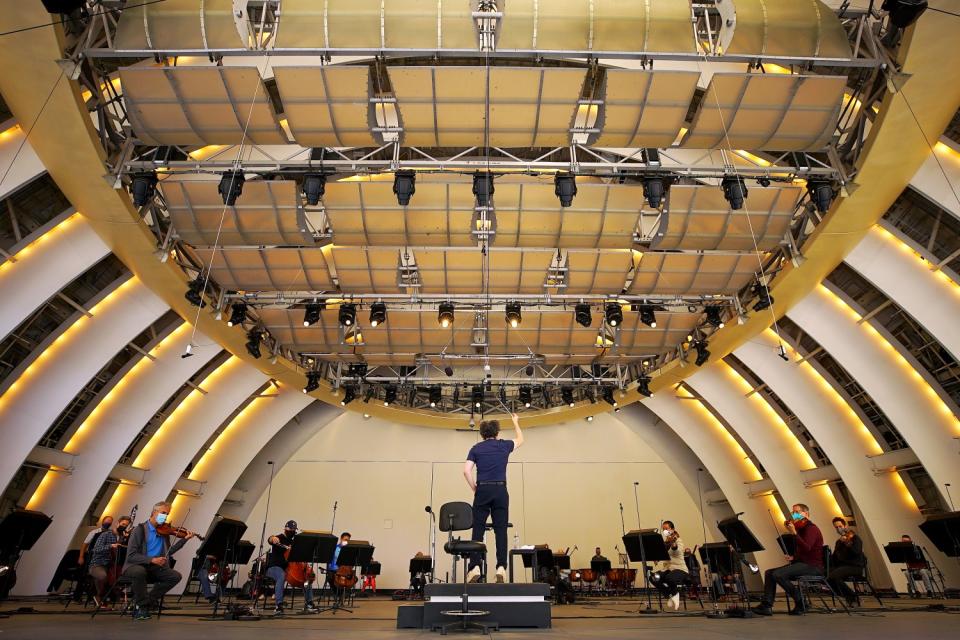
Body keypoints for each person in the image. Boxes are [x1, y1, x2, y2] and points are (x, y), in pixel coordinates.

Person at [463, 413, 524, 584]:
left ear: (482, 434)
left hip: (483, 489)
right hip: (500, 490)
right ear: (497, 433)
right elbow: (520, 439)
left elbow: (466, 471)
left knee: (478, 529)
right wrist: (515, 422)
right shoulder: (504, 445)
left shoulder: (476, 448)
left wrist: (475, 487)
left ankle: (475, 566)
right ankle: (501, 568)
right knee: (501, 530)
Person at [121, 502, 191, 620]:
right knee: (139, 571)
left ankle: (146, 602)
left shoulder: (164, 533)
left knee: (175, 576)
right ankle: (142, 607)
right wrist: (152, 559)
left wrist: (184, 540)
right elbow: (131, 556)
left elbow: (169, 551)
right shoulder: (140, 529)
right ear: (154, 512)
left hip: (154, 567)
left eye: (167, 514)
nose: (165, 516)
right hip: (135, 565)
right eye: (163, 513)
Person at [752, 503, 824, 616]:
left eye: (797, 512)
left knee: (778, 574)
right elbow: (802, 552)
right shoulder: (801, 529)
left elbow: (808, 548)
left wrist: (795, 534)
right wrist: (793, 557)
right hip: (802, 564)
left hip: (813, 566)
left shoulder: (812, 529)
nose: (794, 515)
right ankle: (766, 605)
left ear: (806, 513)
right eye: (793, 512)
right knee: (769, 573)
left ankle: (801, 602)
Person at [265, 520, 317, 614]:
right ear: (285, 529)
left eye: (294, 530)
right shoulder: (279, 537)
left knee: (306, 577)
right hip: (274, 567)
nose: (292, 531)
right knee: (282, 575)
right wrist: (272, 538)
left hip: (288, 567)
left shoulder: (293, 541)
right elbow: (270, 540)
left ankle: (309, 603)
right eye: (290, 529)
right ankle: (278, 605)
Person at [88, 515, 131, 607]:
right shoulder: (106, 534)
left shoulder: (124, 537)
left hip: (114, 565)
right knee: (103, 576)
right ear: (118, 523)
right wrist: (110, 546)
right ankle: (98, 595)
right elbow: (95, 549)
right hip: (99, 563)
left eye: (126, 526)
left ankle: (117, 597)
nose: (124, 527)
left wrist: (126, 540)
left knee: (126, 576)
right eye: (123, 524)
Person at [826, 517, 866, 606]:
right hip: (843, 567)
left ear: (845, 526)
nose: (838, 529)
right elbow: (835, 558)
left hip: (855, 567)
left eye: (840, 526)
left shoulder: (855, 538)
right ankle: (850, 596)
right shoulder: (839, 542)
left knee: (833, 576)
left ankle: (853, 597)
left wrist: (847, 543)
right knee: (826, 576)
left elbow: (856, 552)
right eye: (836, 527)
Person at [651, 521, 689, 610]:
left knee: (669, 577)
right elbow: (663, 553)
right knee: (653, 577)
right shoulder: (666, 543)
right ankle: (669, 595)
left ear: (672, 529)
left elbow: (677, 551)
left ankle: (675, 594)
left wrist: (673, 543)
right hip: (668, 569)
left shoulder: (678, 540)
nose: (664, 530)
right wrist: (657, 558)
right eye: (663, 529)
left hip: (680, 569)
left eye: (666, 528)